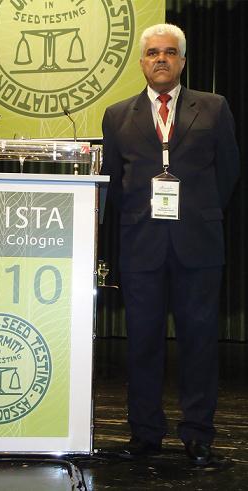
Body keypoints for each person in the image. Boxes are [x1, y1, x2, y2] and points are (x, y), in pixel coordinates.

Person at [101, 24, 240, 466]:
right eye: (153, 53)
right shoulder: (116, 114)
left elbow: (229, 171)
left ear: (182, 61)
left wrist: (198, 211)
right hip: (141, 244)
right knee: (142, 344)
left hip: (198, 243)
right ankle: (145, 435)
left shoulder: (214, 107)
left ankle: (198, 436)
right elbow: (114, 182)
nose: (160, 59)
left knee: (199, 343)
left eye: (169, 52)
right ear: (142, 62)